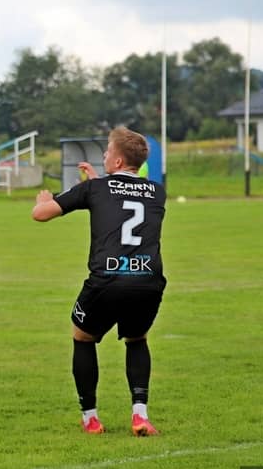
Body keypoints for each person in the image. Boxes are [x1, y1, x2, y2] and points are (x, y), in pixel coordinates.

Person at [32, 127, 166, 436]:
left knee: (83, 338)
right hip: (147, 280)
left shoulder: (95, 189)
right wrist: (97, 181)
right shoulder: (157, 191)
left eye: (107, 150)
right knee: (137, 339)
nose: (103, 154)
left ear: (117, 161)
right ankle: (140, 415)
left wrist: (43, 200)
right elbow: (120, 198)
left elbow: (41, 214)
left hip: (107, 280)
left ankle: (91, 418)